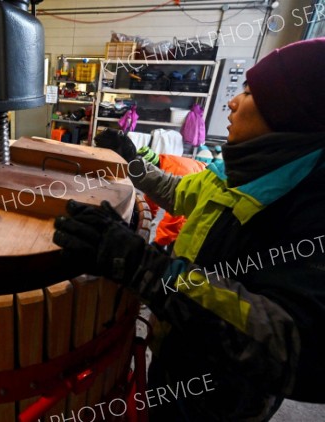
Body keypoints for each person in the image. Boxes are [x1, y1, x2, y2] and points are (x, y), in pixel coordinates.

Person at [53, 38, 325, 421]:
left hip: (224, 394)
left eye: (248, 93)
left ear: (288, 113)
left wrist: (148, 268)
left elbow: (290, 343)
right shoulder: (244, 168)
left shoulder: (309, 209)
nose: (231, 102)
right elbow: (178, 193)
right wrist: (132, 161)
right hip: (178, 342)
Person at [95, 130, 206, 249]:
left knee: (178, 239)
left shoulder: (179, 171)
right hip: (193, 186)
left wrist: (158, 244)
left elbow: (174, 219)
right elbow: (154, 195)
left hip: (199, 207)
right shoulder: (162, 162)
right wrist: (143, 218)